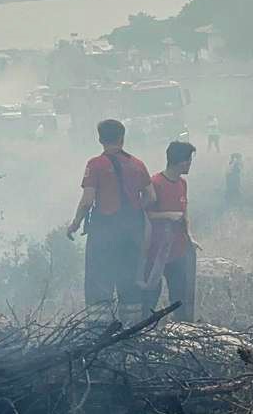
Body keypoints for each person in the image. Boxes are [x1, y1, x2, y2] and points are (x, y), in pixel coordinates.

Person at [67, 119, 154, 318]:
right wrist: (135, 212)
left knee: (99, 280)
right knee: (130, 280)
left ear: (100, 139)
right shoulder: (137, 164)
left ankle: (99, 332)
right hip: (133, 232)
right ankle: (130, 330)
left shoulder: (95, 164)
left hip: (103, 232)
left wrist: (75, 224)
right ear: (122, 138)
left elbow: (87, 200)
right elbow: (151, 196)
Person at [142, 141, 199, 321]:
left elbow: (184, 212)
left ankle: (183, 330)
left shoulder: (182, 183)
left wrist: (190, 236)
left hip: (179, 250)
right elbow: (144, 215)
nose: (190, 164)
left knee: (180, 296)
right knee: (150, 295)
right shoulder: (155, 183)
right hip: (156, 251)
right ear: (180, 162)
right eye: (189, 160)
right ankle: (144, 329)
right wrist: (167, 215)